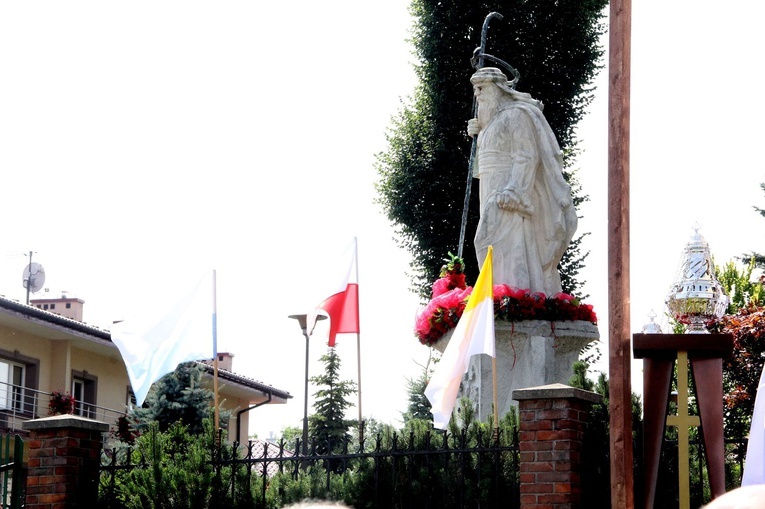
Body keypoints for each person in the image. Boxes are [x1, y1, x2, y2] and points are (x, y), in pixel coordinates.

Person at [467, 67, 577, 296]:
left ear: (498, 89)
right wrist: (480, 133)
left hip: (509, 195)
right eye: (475, 89)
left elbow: (526, 155)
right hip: (489, 189)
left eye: (482, 88)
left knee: (508, 244)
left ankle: (519, 295)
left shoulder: (515, 114)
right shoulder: (491, 122)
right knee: (489, 244)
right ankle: (499, 294)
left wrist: (515, 190)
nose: (477, 94)